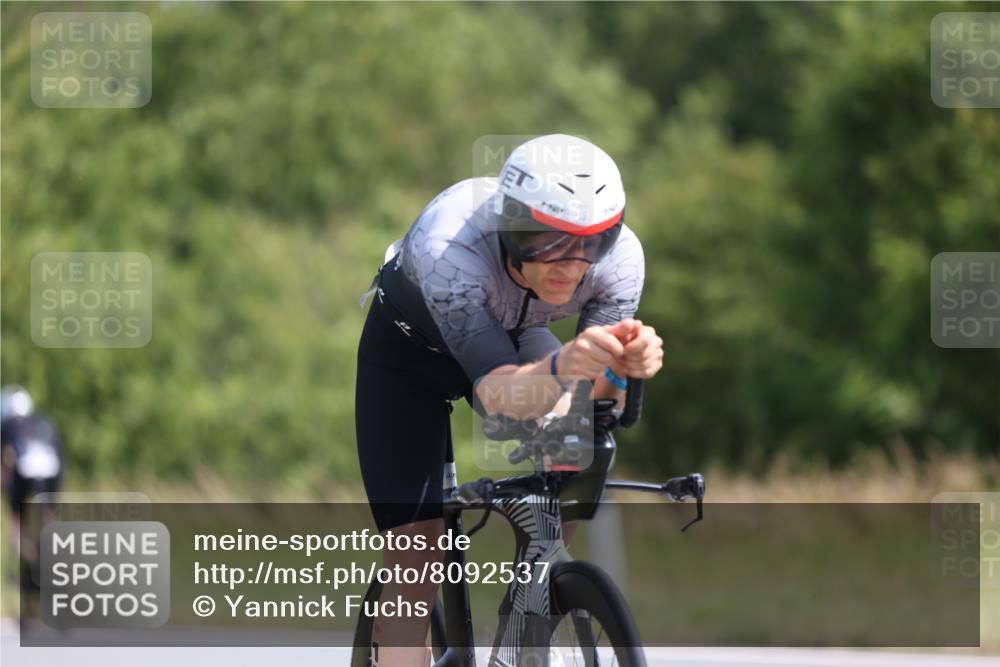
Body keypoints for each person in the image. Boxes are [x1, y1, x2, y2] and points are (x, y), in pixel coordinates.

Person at [355, 134, 663, 666]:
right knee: (416, 560)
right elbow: (499, 396)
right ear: (510, 229)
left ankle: (531, 605)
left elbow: (596, 408)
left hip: (520, 344)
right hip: (411, 361)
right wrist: (567, 365)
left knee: (570, 454)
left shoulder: (620, 264)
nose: (570, 264)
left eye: (591, 242)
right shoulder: (449, 247)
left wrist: (623, 368)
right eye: (547, 241)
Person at [0, 385, 64, 564]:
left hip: (24, 473)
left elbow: (8, 457)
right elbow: (59, 458)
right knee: (48, 518)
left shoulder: (8, 426)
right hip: (52, 473)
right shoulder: (43, 423)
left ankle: (23, 566)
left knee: (18, 523)